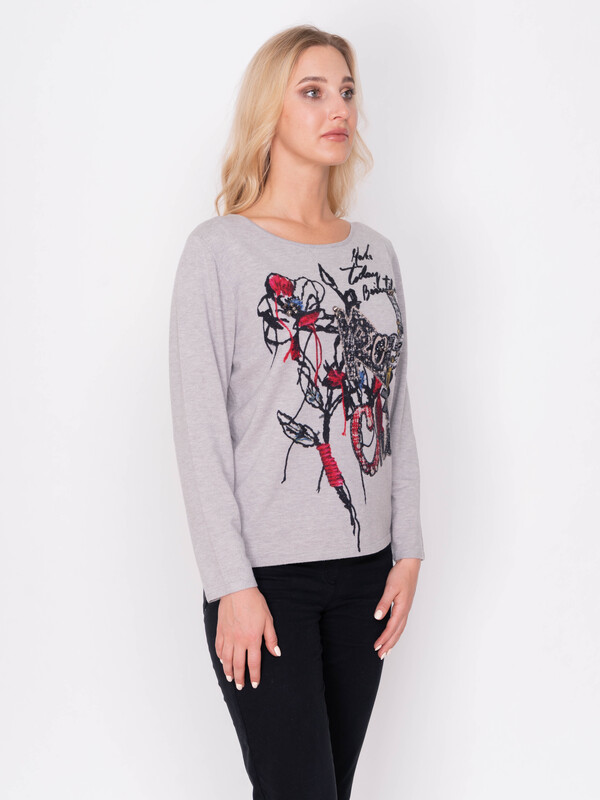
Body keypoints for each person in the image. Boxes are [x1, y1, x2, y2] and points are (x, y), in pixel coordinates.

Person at [168, 23, 425, 800]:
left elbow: (395, 412)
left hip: (366, 576)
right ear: (269, 112)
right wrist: (230, 584)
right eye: (312, 92)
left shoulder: (374, 253)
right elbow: (199, 431)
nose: (337, 108)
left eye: (345, 91)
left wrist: (408, 549)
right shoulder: (220, 251)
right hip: (266, 582)